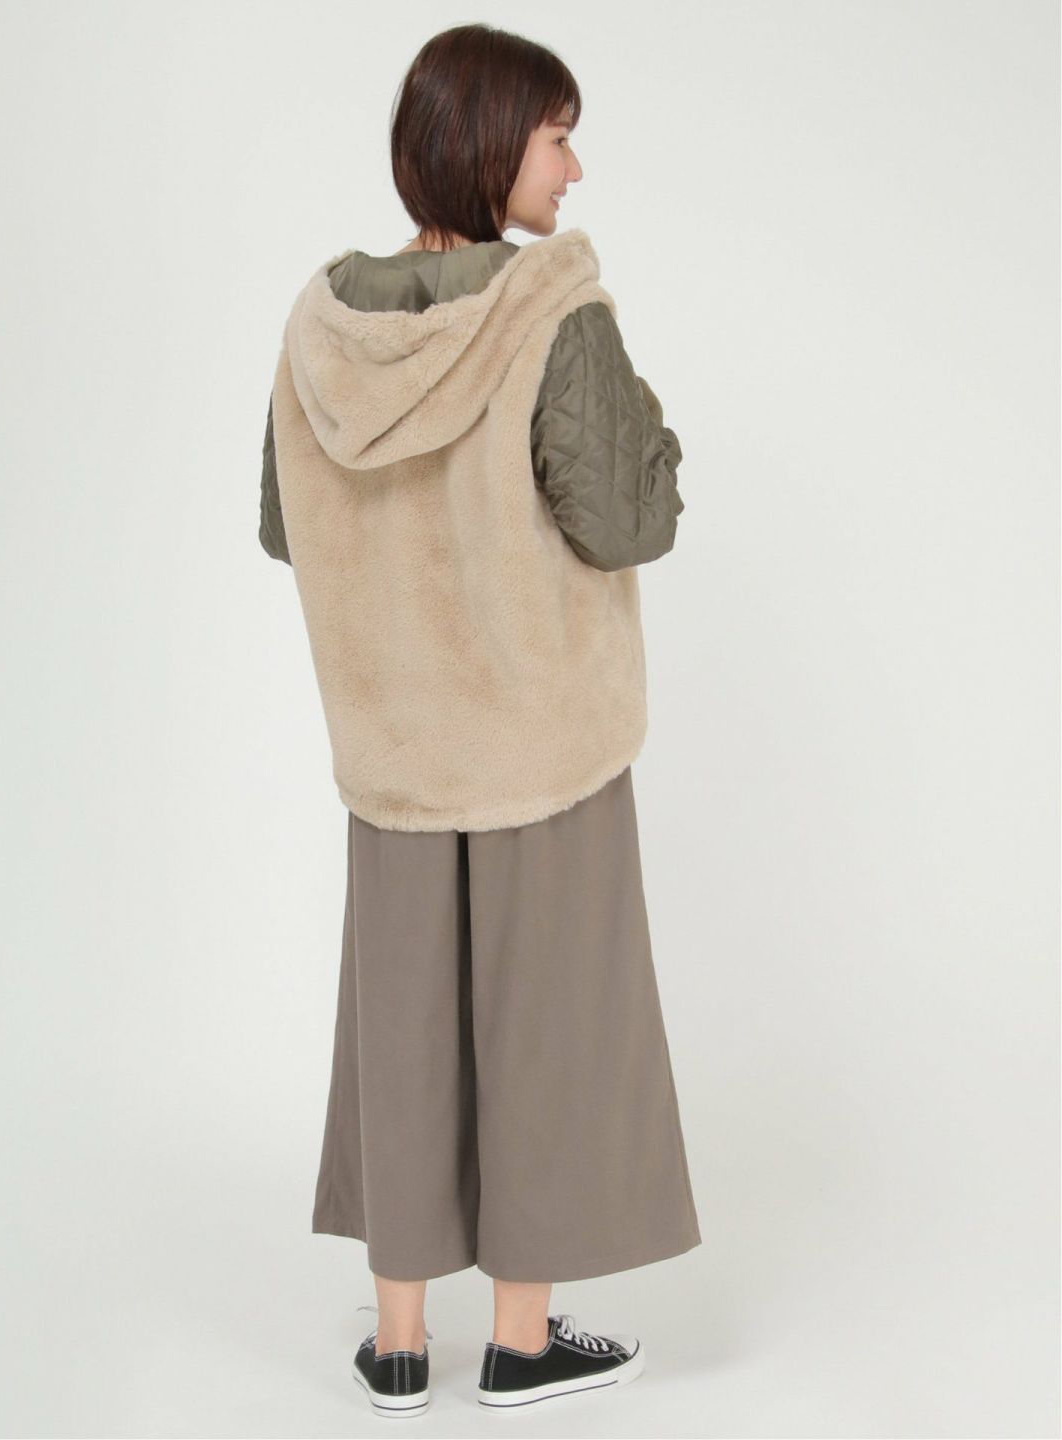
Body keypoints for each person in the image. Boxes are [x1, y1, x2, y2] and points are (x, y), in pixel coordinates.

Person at [258, 22, 700, 1416]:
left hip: (395, 747)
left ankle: (398, 1346)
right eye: (558, 136)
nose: (575, 168)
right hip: (538, 740)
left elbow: (285, 525)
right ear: (493, 142)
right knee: (544, 1029)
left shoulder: (322, 328)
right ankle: (519, 1343)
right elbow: (626, 520)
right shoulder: (556, 311)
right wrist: (649, 422)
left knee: (402, 1030)